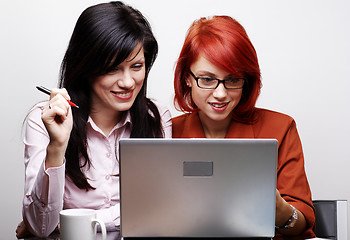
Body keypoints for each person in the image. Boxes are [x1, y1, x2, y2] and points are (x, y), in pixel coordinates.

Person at [16, 1, 172, 238]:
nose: (128, 82)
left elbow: (160, 209)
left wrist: (73, 221)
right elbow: (41, 227)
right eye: (113, 68)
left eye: (137, 66)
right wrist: (57, 147)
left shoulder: (156, 118)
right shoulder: (44, 119)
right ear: (86, 66)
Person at [172, 16, 315, 239]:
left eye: (232, 80)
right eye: (208, 79)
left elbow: (303, 226)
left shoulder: (281, 128)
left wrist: (279, 211)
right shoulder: (165, 132)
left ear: (246, 80)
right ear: (187, 78)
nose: (220, 94)